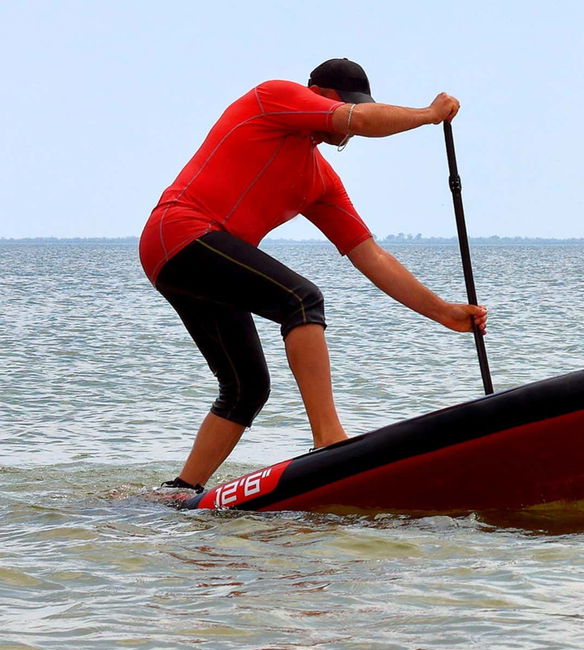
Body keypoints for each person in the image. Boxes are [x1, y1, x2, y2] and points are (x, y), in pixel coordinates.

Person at [139, 58, 487, 494]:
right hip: (181, 231)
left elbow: (371, 256)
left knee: (247, 387)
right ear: (320, 97)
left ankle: (182, 491)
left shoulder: (320, 180)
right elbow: (358, 120)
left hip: (184, 261)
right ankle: (329, 439)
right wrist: (429, 115)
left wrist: (443, 312)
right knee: (301, 300)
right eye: (348, 107)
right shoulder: (273, 97)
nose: (346, 131)